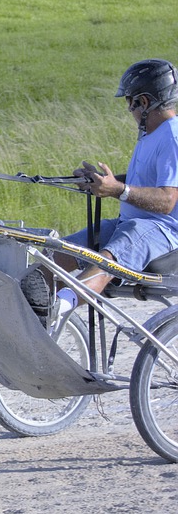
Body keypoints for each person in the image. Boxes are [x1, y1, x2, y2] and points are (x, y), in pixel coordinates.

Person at [26, 59, 178, 327]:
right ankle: (34, 303)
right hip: (130, 223)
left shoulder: (172, 136)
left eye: (129, 102)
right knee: (57, 253)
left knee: (106, 260)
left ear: (143, 102)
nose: (128, 109)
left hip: (160, 230)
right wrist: (99, 181)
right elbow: (140, 181)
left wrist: (116, 189)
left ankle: (59, 309)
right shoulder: (151, 134)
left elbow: (167, 200)